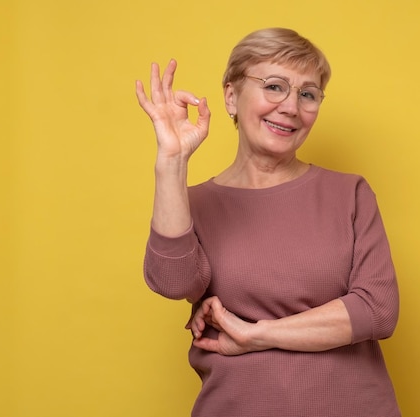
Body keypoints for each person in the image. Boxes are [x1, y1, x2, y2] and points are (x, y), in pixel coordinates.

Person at [136, 27, 401, 417]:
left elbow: (377, 310)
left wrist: (256, 335)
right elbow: (173, 283)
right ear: (231, 96)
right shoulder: (193, 204)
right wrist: (172, 161)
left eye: (307, 94)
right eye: (274, 86)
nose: (291, 107)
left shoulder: (350, 194)